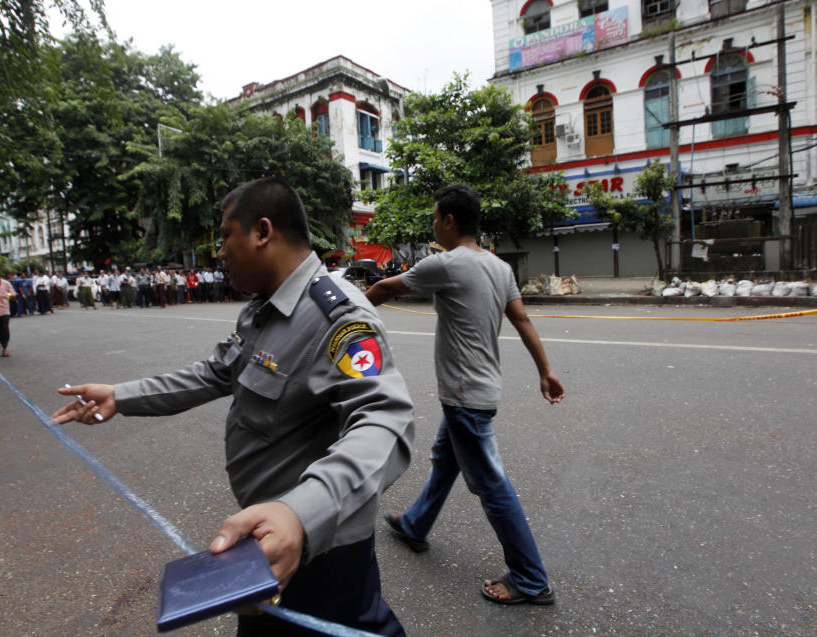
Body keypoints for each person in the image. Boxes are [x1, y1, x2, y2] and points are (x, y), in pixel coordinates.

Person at [53, 177, 415, 636]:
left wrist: (301, 513)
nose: (219, 251)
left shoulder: (338, 317)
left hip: (317, 544)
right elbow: (216, 371)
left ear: (262, 232)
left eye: (226, 236)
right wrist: (122, 395)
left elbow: (386, 419)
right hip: (267, 532)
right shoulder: (262, 307)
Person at [366, 184, 565, 607]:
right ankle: (416, 524)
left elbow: (383, 290)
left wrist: (344, 317)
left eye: (435, 217)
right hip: (481, 387)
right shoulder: (498, 267)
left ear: (450, 221)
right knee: (446, 457)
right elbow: (523, 320)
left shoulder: (448, 264)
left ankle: (531, 579)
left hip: (464, 396)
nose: (433, 223)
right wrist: (545, 371)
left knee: (492, 486)